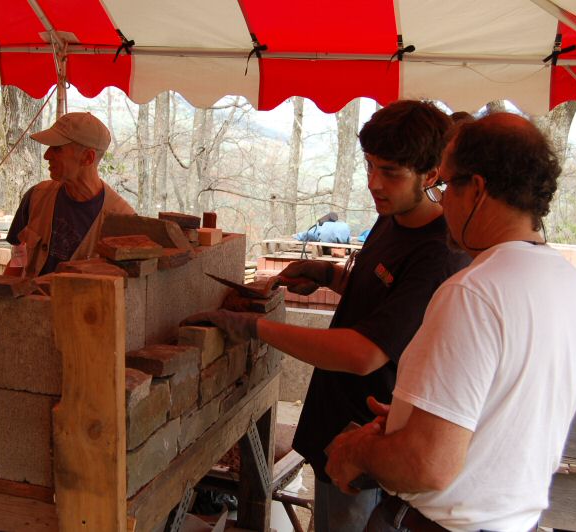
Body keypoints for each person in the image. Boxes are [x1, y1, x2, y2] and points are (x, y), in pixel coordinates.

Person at [186, 100, 470, 531]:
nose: (375, 183)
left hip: (370, 437)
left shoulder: (437, 254)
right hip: (334, 422)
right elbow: (383, 295)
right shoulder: (391, 218)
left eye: (390, 172)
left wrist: (258, 327)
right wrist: (326, 274)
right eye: (370, 166)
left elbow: (364, 354)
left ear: (432, 175)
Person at [325, 113, 576, 531]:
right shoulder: (570, 287)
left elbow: (426, 465)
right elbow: (504, 418)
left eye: (447, 185)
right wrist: (407, 420)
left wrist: (356, 451)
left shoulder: (473, 292)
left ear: (478, 189)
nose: (443, 199)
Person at [4, 111, 135, 277]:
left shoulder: (122, 220)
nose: (46, 155)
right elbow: (18, 253)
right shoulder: (36, 196)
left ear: (87, 158)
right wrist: (5, 294)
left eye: (57, 149)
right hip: (31, 303)